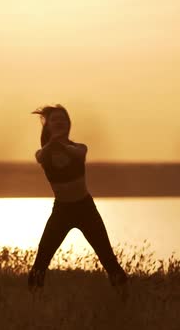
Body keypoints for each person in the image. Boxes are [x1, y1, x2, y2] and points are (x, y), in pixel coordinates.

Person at [28, 104, 127, 291]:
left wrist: (61, 143)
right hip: (61, 211)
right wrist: (53, 142)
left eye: (63, 119)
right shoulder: (44, 152)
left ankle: (124, 297)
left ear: (69, 124)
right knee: (40, 262)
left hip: (85, 209)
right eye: (55, 119)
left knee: (108, 258)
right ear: (47, 125)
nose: (60, 122)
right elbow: (40, 157)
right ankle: (33, 300)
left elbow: (79, 153)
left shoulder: (78, 148)